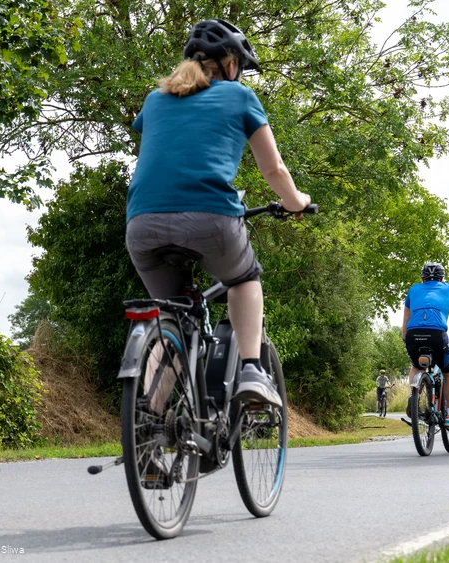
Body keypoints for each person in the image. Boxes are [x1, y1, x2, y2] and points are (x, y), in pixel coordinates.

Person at [125, 19, 311, 408]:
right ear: (230, 65)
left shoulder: (154, 100)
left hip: (142, 224)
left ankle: (149, 426)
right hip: (210, 217)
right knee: (244, 278)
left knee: (171, 318)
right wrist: (296, 201)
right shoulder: (239, 95)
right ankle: (251, 370)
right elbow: (274, 169)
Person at [402, 262, 449, 429]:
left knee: (417, 365)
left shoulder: (414, 290)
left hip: (413, 334)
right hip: (437, 334)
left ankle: (414, 395)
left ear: (422, 278)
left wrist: (405, 338)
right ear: (442, 277)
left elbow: (406, 318)